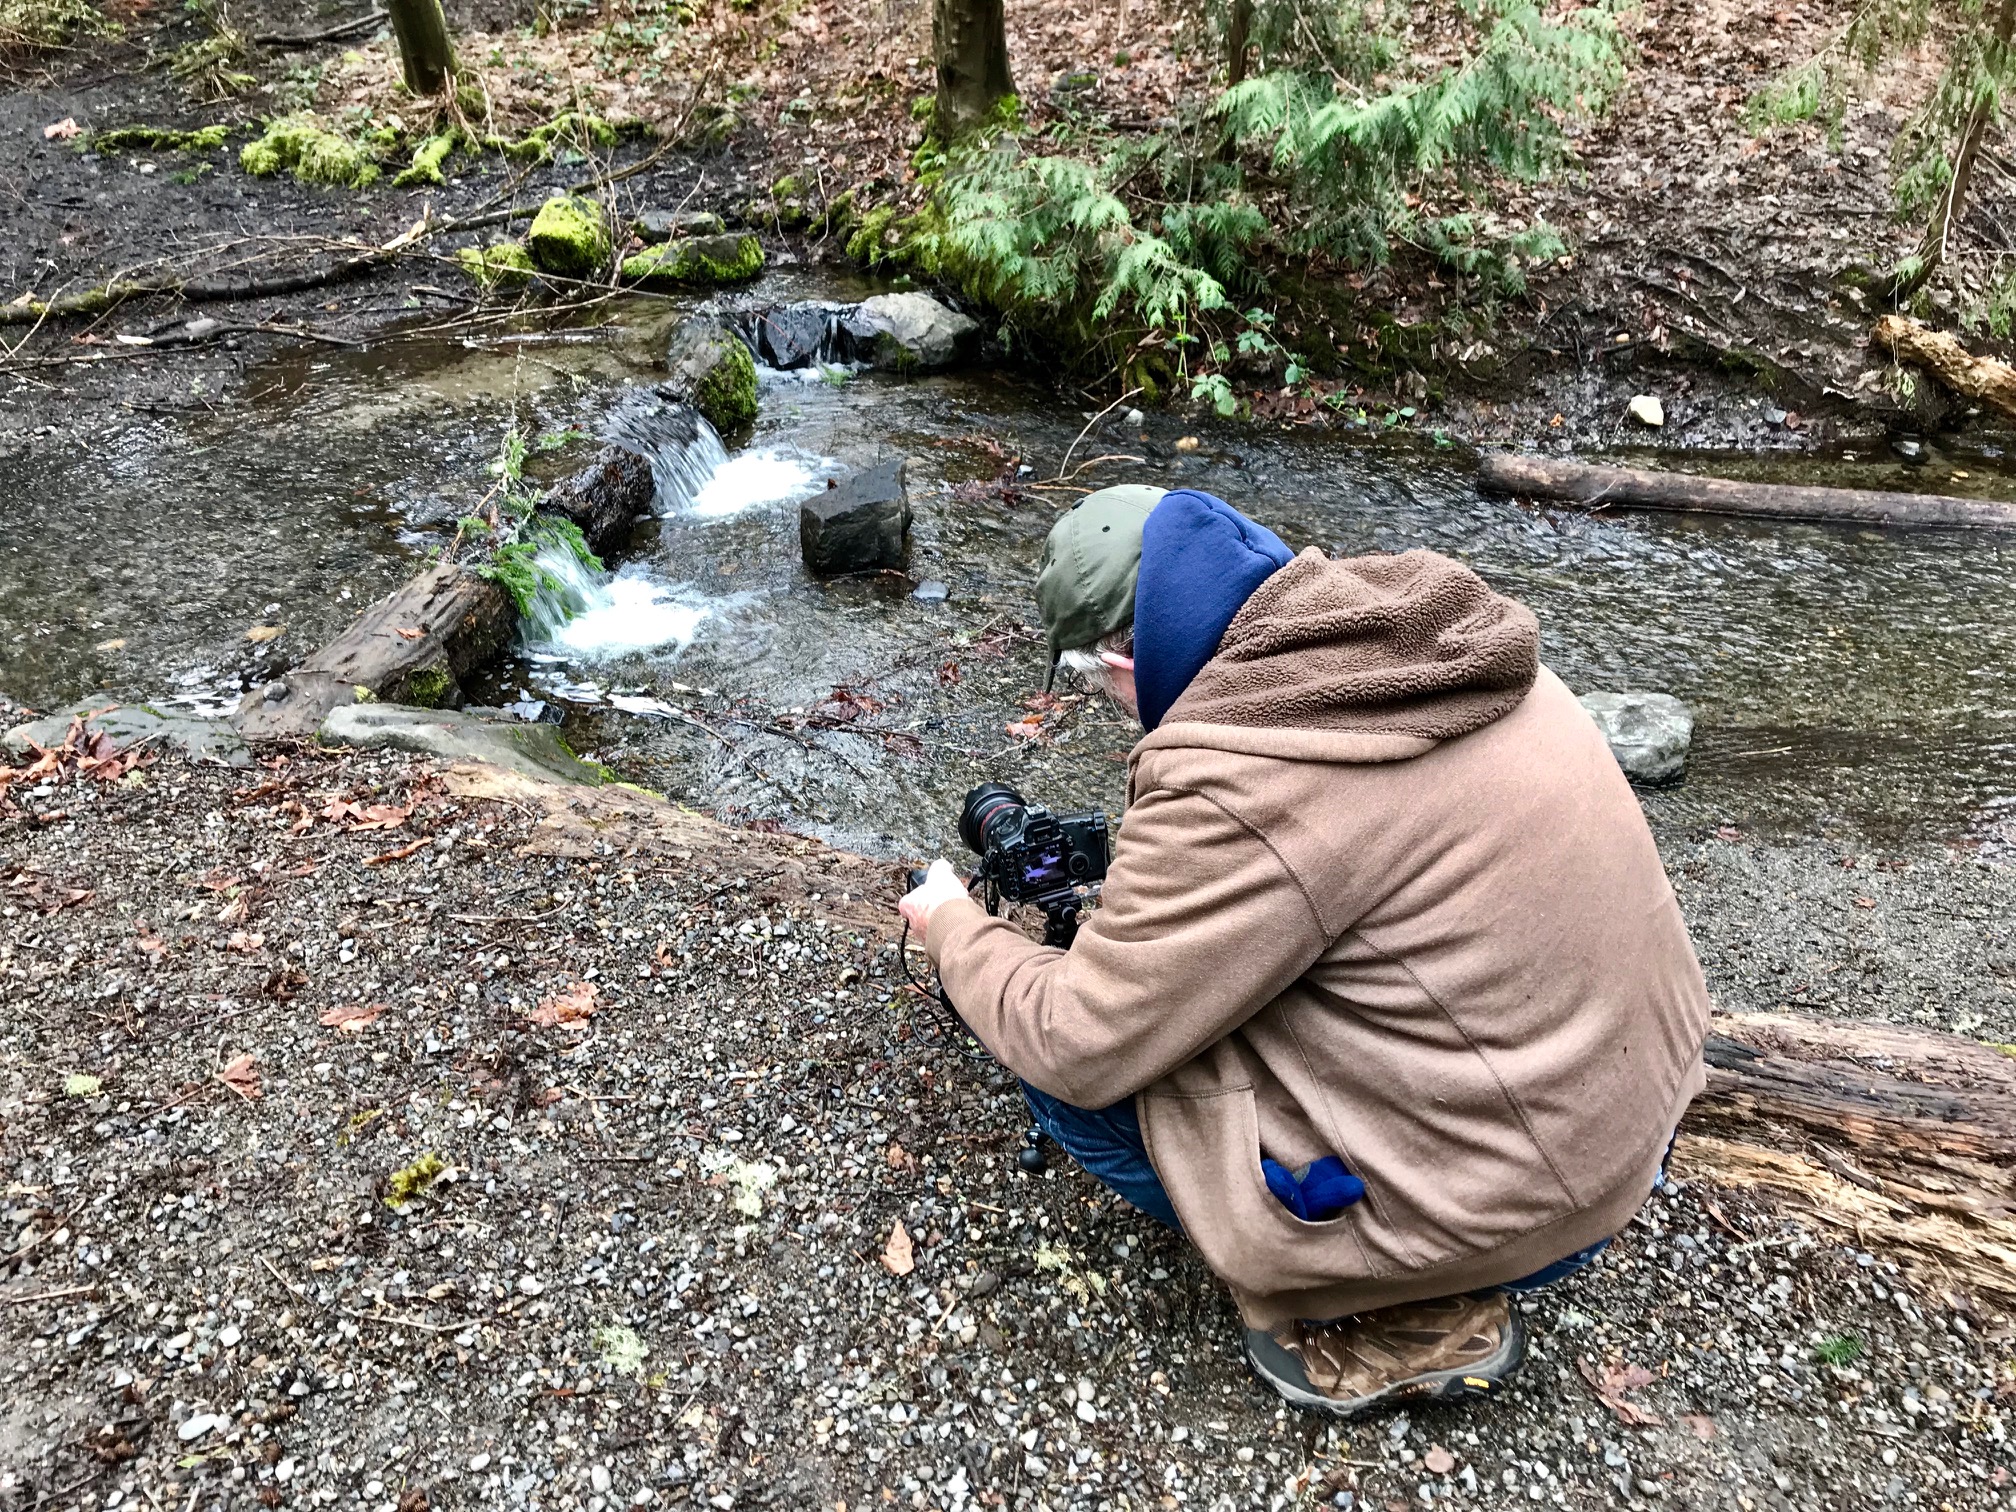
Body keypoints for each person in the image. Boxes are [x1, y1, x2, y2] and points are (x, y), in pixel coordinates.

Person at [899, 485, 1710, 1419]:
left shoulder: (1243, 775)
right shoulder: (1435, 640)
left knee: (1066, 1080)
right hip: (1634, 1116)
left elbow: (1074, 1038)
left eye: (1095, 685)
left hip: (1535, 1208)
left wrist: (953, 924)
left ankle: (1380, 1308)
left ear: (1123, 660)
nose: (1111, 705)